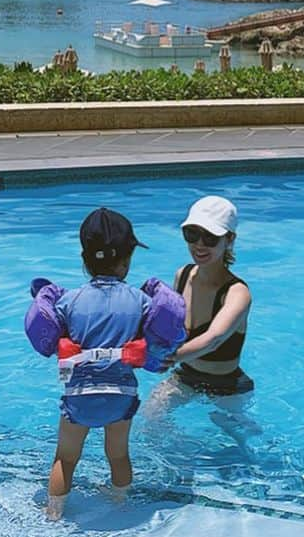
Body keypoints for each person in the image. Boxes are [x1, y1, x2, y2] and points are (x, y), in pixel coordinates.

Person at [24, 208, 184, 517]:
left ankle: (54, 511)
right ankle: (119, 501)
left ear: (85, 261)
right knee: (118, 455)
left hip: (79, 396)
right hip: (120, 396)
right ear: (126, 261)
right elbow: (161, 339)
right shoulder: (141, 301)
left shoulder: (69, 300)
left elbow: (50, 334)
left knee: (66, 459)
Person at [160, 195, 253, 397]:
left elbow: (214, 339)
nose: (199, 245)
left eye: (210, 237)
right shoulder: (182, 275)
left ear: (229, 240)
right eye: (192, 234)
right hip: (185, 374)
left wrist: (168, 358)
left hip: (227, 385)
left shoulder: (237, 292)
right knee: (149, 421)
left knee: (234, 429)